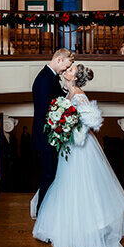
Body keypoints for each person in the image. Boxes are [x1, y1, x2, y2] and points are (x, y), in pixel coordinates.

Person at [32, 64, 124, 247]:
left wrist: (70, 127)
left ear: (75, 78)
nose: (66, 70)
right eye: (67, 68)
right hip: (68, 147)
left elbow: (92, 122)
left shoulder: (79, 95)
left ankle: (89, 227)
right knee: (66, 183)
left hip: (81, 147)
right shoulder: (66, 93)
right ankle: (67, 223)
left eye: (70, 70)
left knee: (84, 185)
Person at [32, 48, 74, 212]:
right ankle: (41, 213)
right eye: (66, 66)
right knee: (48, 178)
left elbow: (55, 99)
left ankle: (46, 213)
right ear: (58, 60)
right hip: (46, 138)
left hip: (50, 137)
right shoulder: (44, 79)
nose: (65, 70)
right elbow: (46, 111)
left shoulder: (50, 77)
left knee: (51, 177)